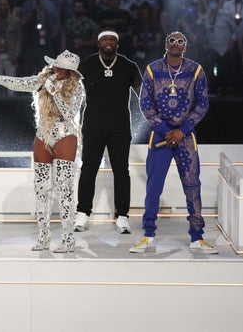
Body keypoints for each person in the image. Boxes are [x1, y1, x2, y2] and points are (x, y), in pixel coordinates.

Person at [0, 50, 86, 253]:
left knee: (64, 189)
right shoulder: (43, 79)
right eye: (57, 66)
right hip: (43, 134)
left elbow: (70, 114)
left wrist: (55, 93)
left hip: (65, 135)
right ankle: (43, 237)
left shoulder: (78, 87)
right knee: (41, 188)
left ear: (71, 72)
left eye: (63, 68)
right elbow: (19, 83)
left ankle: (68, 239)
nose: (58, 70)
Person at [130, 31, 218, 254]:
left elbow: (202, 104)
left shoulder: (195, 70)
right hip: (160, 136)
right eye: (172, 40)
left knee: (192, 186)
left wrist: (183, 130)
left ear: (185, 47)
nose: (176, 44)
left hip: (186, 137)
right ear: (166, 44)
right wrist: (165, 130)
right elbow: (145, 104)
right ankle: (148, 235)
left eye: (180, 41)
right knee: (154, 187)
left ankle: (197, 237)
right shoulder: (153, 69)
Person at [74, 30, 142, 234]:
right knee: (88, 169)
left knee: (121, 171)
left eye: (112, 39)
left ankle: (122, 216)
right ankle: (82, 213)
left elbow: (143, 95)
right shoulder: (87, 65)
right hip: (93, 125)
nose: (109, 42)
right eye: (105, 39)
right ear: (98, 43)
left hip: (119, 127)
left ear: (118, 44)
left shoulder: (128, 66)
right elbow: (74, 93)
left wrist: (160, 112)